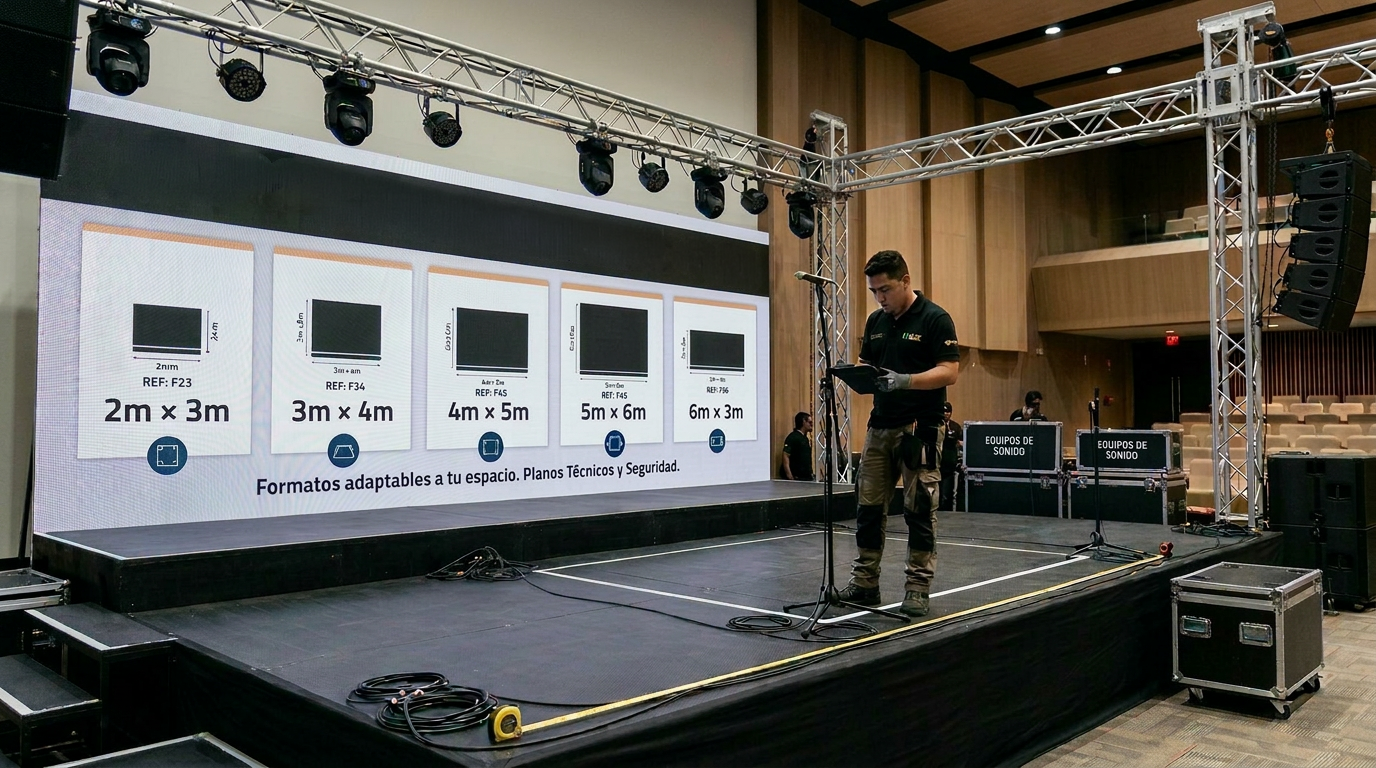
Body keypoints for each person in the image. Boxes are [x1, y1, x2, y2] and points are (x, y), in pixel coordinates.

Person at [839, 250, 960, 618]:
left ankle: (917, 588)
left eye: (885, 289)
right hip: (879, 425)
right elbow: (866, 362)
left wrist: (906, 380)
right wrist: (857, 374)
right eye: (874, 291)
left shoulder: (935, 318)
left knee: (919, 509)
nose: (880, 298)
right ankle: (865, 583)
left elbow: (949, 371)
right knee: (868, 507)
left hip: (919, 428)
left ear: (906, 281)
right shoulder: (876, 321)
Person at [939, 402, 963, 512]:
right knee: (936, 495)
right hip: (937, 465)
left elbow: (961, 442)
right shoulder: (936, 426)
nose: (946, 414)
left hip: (949, 465)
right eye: (944, 412)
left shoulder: (955, 427)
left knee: (947, 494)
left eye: (948, 412)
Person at [781, 412, 814, 481]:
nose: (812, 425)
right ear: (803, 422)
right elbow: (785, 455)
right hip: (797, 477)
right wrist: (789, 475)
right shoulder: (793, 437)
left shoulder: (805, 438)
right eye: (810, 422)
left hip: (805, 477)